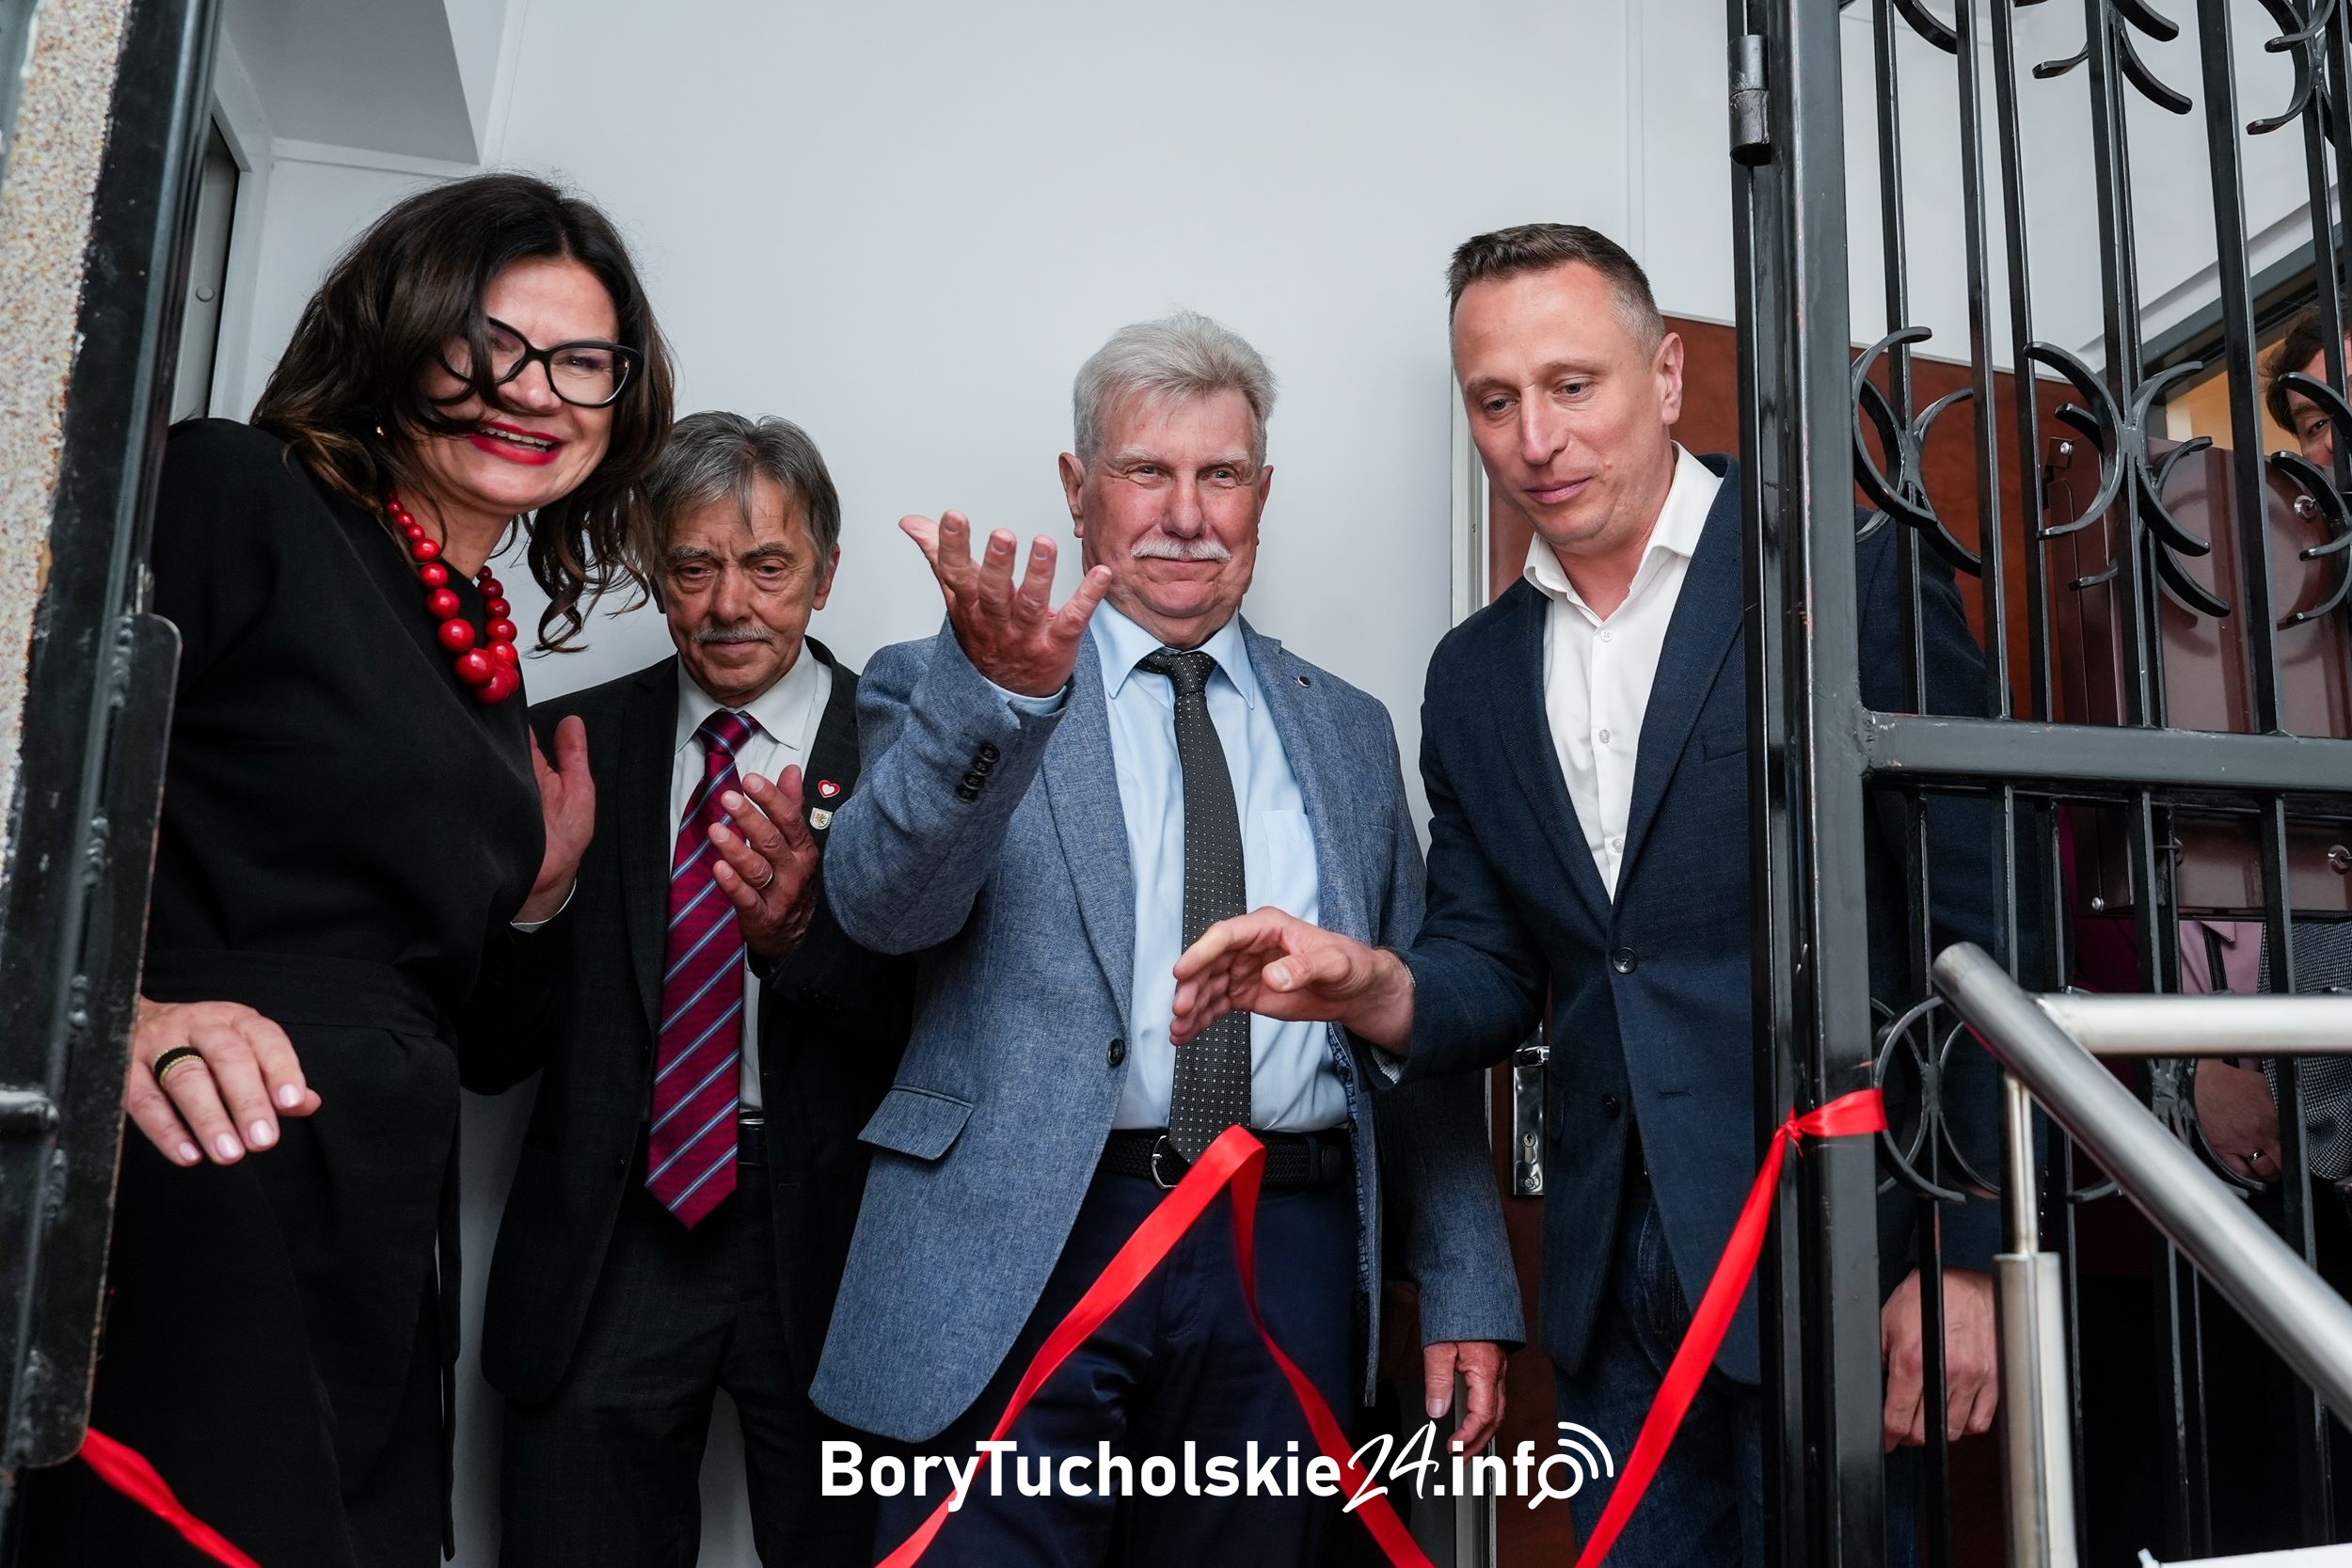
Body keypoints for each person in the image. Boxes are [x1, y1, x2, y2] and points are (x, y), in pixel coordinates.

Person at [1170, 225, 2018, 1567]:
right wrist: (1369, 982)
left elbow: (1981, 925)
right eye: (1495, 399)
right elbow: (1489, 963)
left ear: (1666, 374)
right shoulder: (1472, 675)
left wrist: (1965, 1250)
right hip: (1611, 1284)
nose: (1535, 438)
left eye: (1573, 385)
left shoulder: (1846, 575)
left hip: (1837, 1249)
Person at [20, 174, 673, 1568]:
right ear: (397, 334)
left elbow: (479, 1042)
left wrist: (541, 893)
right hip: (198, 1157)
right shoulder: (236, 489)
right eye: (488, 342)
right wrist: (107, 1014)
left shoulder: (481, 645)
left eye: (582, 360)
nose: (532, 390)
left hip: (379, 1207)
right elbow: (29, 769)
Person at [812, 312, 1522, 1567]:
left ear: (1263, 494)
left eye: (1221, 474)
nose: (1186, 514)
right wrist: (1006, 697)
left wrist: (1465, 1274)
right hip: (1023, 1241)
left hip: (1282, 1245)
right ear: (1078, 486)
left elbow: (1408, 1018)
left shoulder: (1348, 729)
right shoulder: (948, 682)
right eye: (1147, 470)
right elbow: (882, 907)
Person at [470, 411, 910, 1567]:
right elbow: (487, 1053)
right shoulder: (562, 749)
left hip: (842, 1241)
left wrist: (798, 942)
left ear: (824, 573)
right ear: (655, 575)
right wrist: (537, 903)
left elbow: (949, 1028)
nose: (728, 605)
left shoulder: (904, 761)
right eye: (694, 566)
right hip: (609, 1236)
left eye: (767, 566)